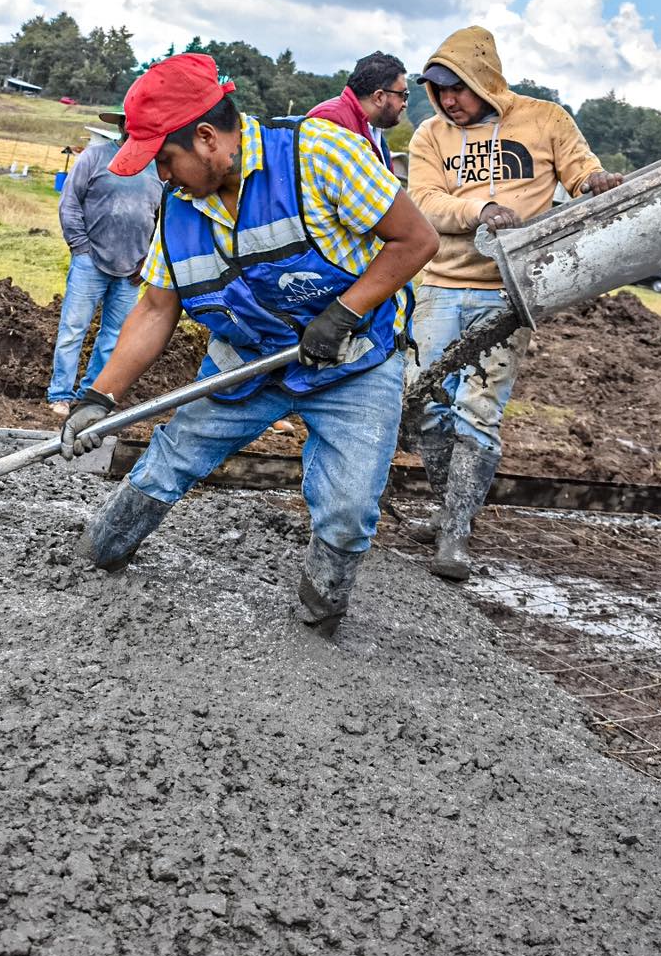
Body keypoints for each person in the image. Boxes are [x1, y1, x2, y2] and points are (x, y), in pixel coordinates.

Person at [60, 52, 438, 637]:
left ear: (208, 138)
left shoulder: (318, 154)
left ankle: (322, 613)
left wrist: (342, 314)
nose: (161, 176)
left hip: (354, 364)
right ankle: (98, 556)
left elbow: (416, 239)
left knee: (348, 507)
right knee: (172, 457)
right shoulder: (182, 208)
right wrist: (99, 399)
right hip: (245, 363)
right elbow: (158, 307)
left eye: (165, 159)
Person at [408, 26, 623, 582]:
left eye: (457, 87)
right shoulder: (429, 135)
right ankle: (451, 507)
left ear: (484, 78)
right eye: (438, 89)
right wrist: (481, 210)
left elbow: (580, 172)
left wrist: (597, 182)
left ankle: (455, 533)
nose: (448, 100)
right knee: (426, 404)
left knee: (478, 409)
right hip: (439, 285)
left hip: (508, 292)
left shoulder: (545, 120)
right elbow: (426, 201)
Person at [46, 107, 162, 416]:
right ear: (123, 124)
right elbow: (69, 203)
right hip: (90, 260)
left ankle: (90, 395)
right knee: (73, 328)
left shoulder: (157, 166)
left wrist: (148, 261)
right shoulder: (96, 156)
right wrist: (80, 247)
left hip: (133, 269)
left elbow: (163, 220)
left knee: (115, 335)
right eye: (130, 121)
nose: (134, 126)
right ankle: (60, 393)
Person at [307, 50, 409, 166]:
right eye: (403, 95)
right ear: (379, 97)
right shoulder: (331, 122)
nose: (405, 104)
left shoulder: (372, 126)